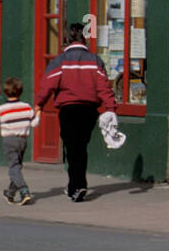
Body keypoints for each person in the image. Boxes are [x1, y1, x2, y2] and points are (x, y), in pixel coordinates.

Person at [34, 22, 116, 202]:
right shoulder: (95, 61)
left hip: (68, 109)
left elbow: (47, 85)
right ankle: (76, 185)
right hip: (89, 110)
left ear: (67, 40)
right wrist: (111, 108)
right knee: (81, 147)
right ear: (83, 39)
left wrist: (38, 104)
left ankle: (78, 185)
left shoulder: (60, 61)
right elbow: (104, 88)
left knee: (71, 148)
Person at [0, 77, 37, 205]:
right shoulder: (26, 107)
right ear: (21, 91)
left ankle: (24, 191)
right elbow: (34, 123)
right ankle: (10, 193)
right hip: (22, 140)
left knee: (13, 167)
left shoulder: (1, 109)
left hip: (9, 139)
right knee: (17, 167)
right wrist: (38, 114)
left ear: (5, 91)